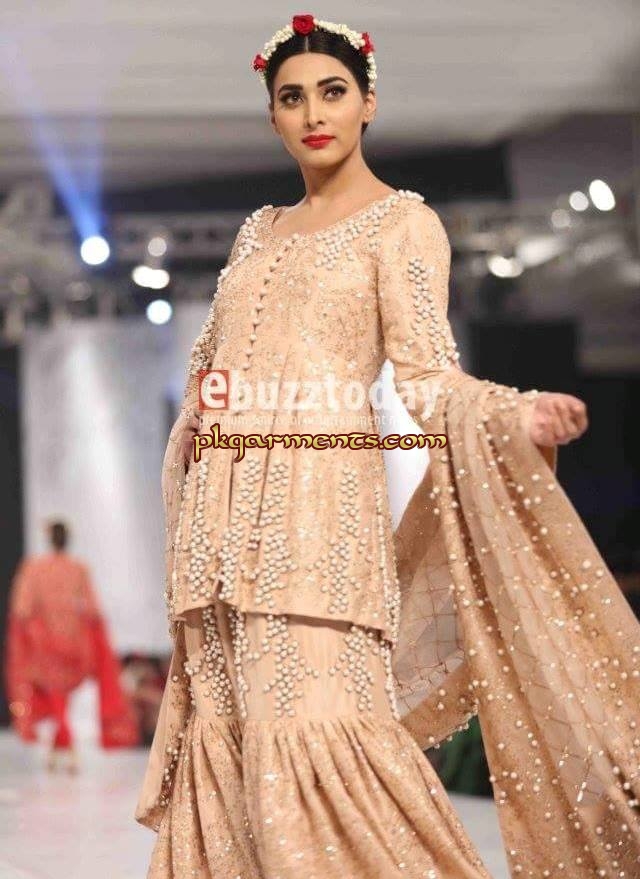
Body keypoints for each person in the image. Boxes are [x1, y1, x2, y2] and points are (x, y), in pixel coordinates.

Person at [135, 14, 640, 878]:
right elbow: (211, 375)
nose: (313, 113)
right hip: (215, 547)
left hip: (316, 529)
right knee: (232, 756)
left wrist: (507, 415)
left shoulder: (401, 224)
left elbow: (427, 373)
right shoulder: (258, 231)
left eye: (332, 92)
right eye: (292, 97)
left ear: (368, 102)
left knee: (321, 742)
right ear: (272, 115)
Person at [5, 520, 139, 772]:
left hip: (44, 643)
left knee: (55, 694)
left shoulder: (34, 568)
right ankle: (62, 747)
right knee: (61, 695)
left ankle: (65, 744)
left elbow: (22, 608)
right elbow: (92, 608)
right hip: (74, 642)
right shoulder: (78, 569)